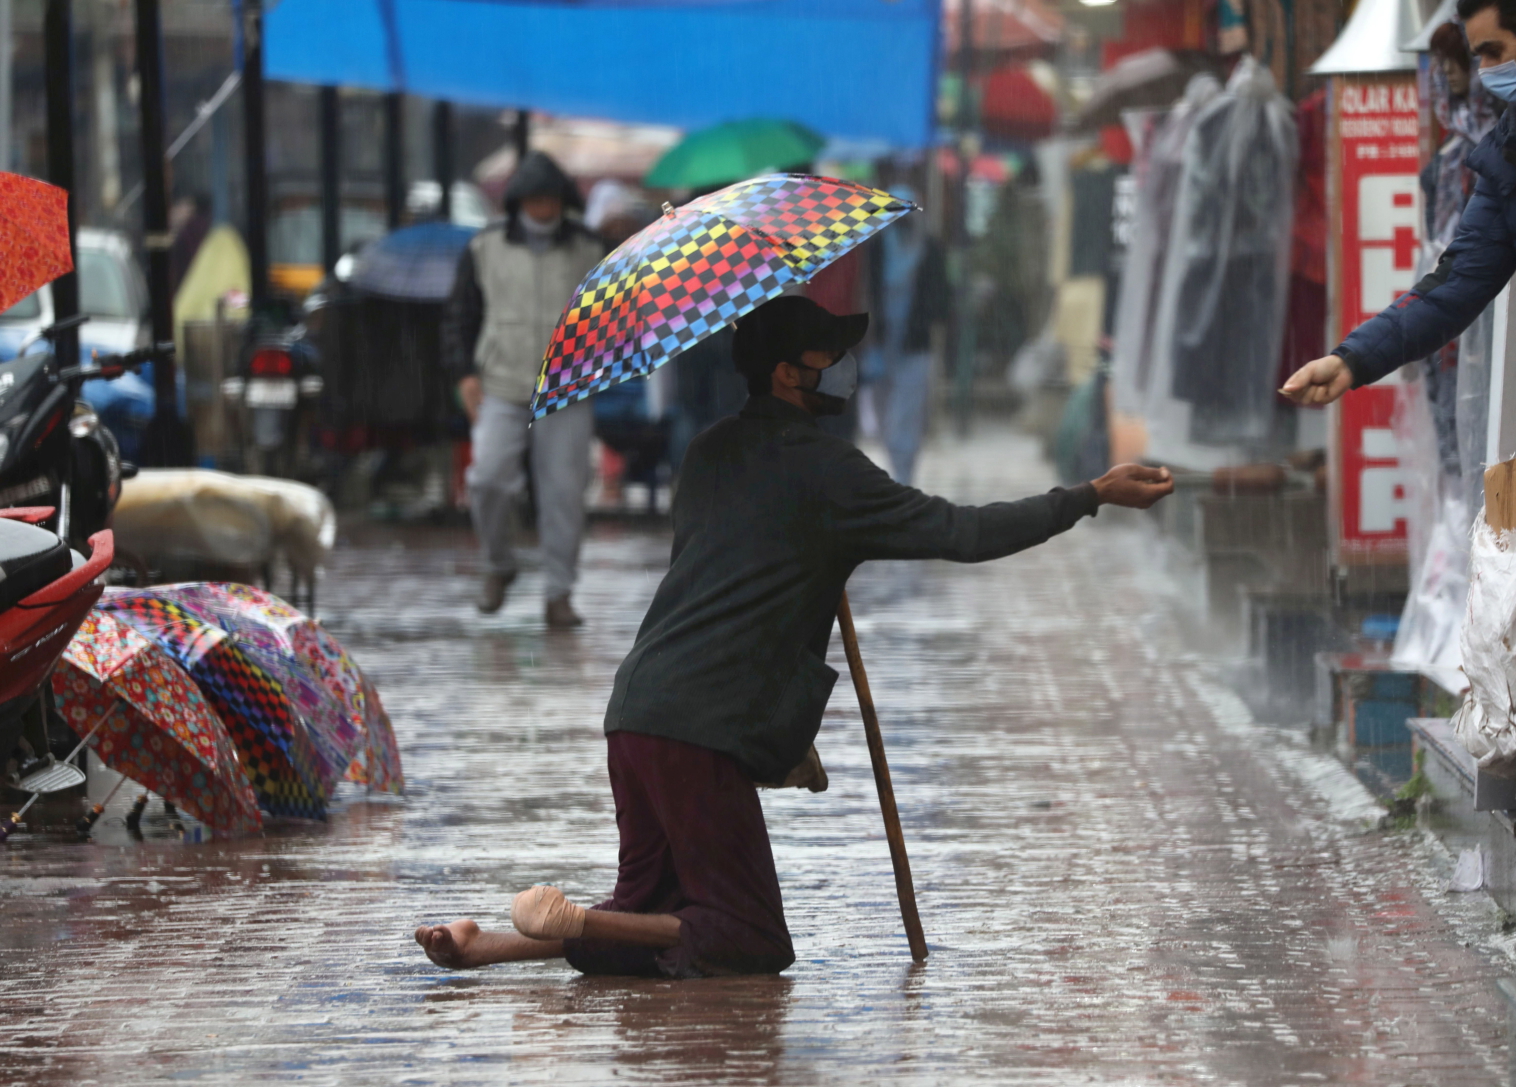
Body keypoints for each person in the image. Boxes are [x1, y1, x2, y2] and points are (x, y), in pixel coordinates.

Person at [416, 295, 1174, 977]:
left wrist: (782, 730)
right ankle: (575, 918)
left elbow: (719, 590)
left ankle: (484, 943)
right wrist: (1088, 495)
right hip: (699, 729)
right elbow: (964, 532)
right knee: (747, 936)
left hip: (638, 714)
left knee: (648, 913)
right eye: (828, 359)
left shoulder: (711, 449)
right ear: (786, 374)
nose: (844, 371)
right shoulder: (830, 472)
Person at [1282, 0, 1516, 834]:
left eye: (1493, 48)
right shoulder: (1512, 153)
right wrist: (1353, 359)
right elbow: (1454, 283)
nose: (1485, 71)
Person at [443, 152, 605, 624]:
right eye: (534, 198)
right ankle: (498, 564)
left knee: (565, 493)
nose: (543, 207)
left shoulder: (587, 248)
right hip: (502, 383)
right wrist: (464, 376)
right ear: (518, 201)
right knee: (486, 478)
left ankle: (559, 593)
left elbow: (612, 313)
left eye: (550, 198)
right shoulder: (484, 247)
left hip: (567, 387)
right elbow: (460, 316)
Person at [866, 186, 948, 485]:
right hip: (880, 343)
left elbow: (941, 300)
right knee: (882, 412)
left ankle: (903, 477)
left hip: (914, 344)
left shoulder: (929, 248)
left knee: (908, 414)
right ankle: (894, 468)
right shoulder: (875, 248)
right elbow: (867, 291)